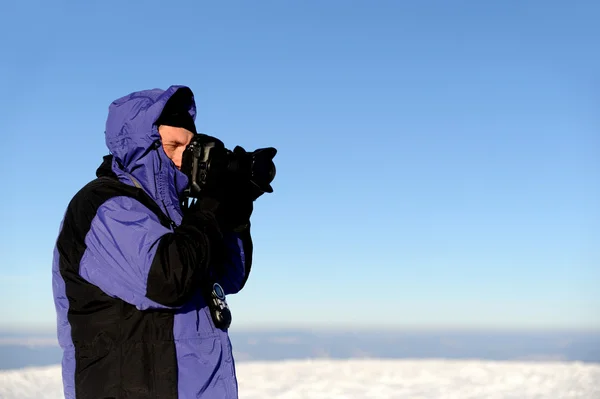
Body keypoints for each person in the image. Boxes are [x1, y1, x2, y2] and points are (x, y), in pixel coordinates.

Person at [51, 85, 256, 398]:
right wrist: (213, 203)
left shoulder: (179, 219)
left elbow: (229, 276)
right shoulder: (103, 205)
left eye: (188, 149)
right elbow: (166, 280)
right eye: (172, 146)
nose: (180, 160)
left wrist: (236, 211)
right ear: (142, 145)